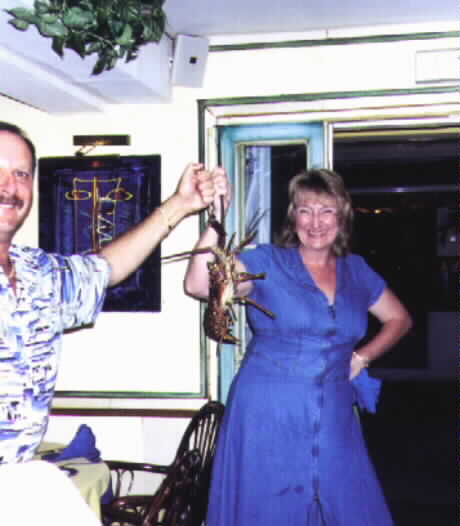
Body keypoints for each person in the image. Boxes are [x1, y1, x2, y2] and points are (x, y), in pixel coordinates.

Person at [0, 121, 221, 524]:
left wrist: (179, 204)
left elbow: (107, 268)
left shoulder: (37, 274)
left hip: (18, 482)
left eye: (21, 173)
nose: (9, 186)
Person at [184, 167, 413, 526]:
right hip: (268, 410)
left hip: (334, 411)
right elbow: (198, 285)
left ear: (342, 216)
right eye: (306, 210)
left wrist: (362, 356)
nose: (316, 222)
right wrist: (216, 220)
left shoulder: (357, 271)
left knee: (347, 503)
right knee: (269, 507)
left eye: (326, 211)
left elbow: (399, 319)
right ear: (293, 216)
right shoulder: (267, 262)